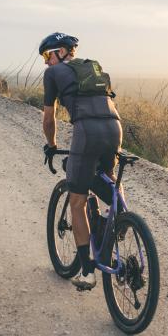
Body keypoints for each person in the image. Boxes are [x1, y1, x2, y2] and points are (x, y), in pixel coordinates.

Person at [40, 32, 122, 281]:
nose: (46, 62)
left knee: (77, 201)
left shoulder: (52, 74)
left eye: (47, 55)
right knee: (108, 178)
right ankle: (119, 222)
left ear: (61, 52)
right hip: (115, 127)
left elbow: (48, 118)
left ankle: (87, 271)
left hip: (87, 132)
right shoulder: (92, 68)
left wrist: (52, 145)